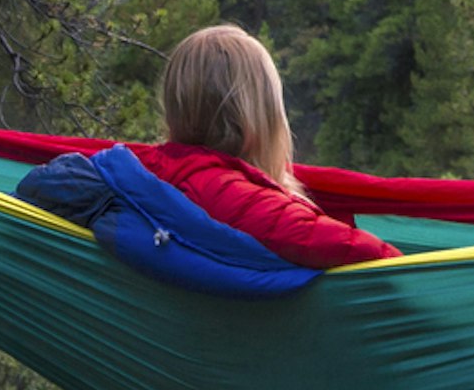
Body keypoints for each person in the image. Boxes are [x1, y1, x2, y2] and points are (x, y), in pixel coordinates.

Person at [123, 25, 394, 268]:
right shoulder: (229, 196)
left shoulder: (155, 170)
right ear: (259, 115)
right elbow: (360, 251)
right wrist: (429, 279)